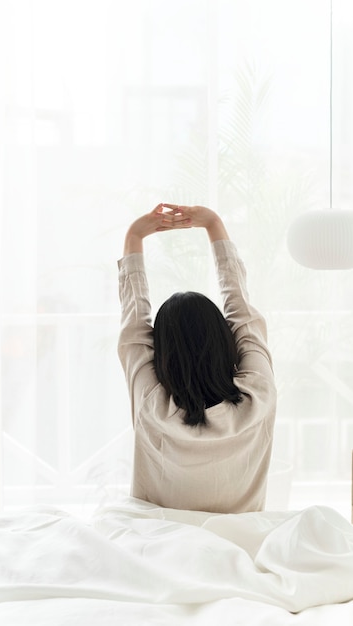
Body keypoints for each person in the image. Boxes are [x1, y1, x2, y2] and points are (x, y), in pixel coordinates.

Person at [117, 204, 277, 513]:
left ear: (160, 351)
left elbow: (134, 323)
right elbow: (241, 310)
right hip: (239, 542)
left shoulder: (153, 404)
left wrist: (134, 236)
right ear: (224, 339)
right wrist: (214, 225)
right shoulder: (258, 395)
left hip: (160, 543)